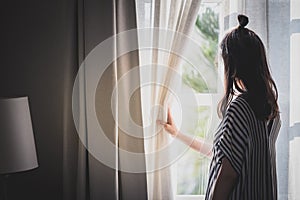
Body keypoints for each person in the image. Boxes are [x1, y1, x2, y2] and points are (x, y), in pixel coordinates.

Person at [160, 14, 281, 200]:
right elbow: (221, 152)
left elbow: (227, 174)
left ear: (232, 65)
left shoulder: (239, 108)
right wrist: (178, 133)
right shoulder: (270, 109)